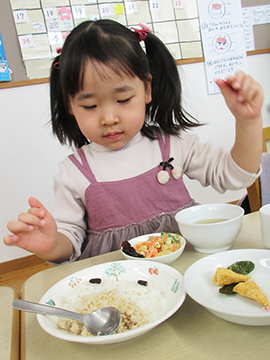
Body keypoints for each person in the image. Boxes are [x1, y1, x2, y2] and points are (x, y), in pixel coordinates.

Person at [4, 20, 263, 264]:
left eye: (123, 99)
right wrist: (51, 245)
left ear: (147, 89)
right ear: (70, 105)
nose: (108, 118)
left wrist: (248, 122)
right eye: (90, 105)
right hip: (121, 287)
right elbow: (69, 240)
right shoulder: (73, 173)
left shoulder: (174, 144)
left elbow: (235, 177)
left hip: (185, 269)